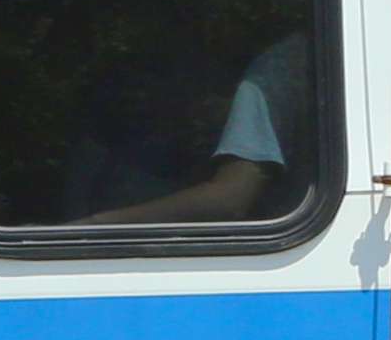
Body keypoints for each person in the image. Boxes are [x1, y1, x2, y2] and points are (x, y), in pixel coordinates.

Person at [81, 30, 307, 224]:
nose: (139, 98)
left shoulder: (273, 74)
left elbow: (231, 198)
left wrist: (95, 225)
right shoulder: (117, 153)